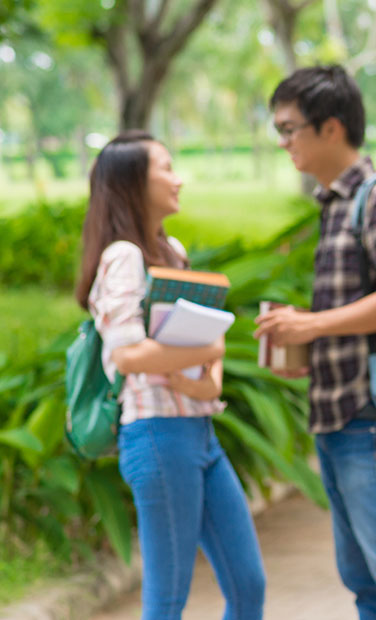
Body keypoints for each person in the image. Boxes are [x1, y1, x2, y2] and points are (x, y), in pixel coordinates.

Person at [254, 65, 376, 619]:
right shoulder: (335, 203)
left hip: (371, 416)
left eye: (290, 128)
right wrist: (307, 347)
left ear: (331, 128)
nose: (283, 140)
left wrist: (314, 327)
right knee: (365, 580)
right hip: (338, 411)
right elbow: (361, 310)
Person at [76, 130, 265, 620]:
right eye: (165, 168)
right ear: (133, 183)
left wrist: (212, 367)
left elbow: (198, 330)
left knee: (248, 585)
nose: (177, 179)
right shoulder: (124, 257)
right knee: (167, 600)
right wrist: (210, 347)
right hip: (158, 435)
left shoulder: (171, 251)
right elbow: (129, 356)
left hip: (198, 432)